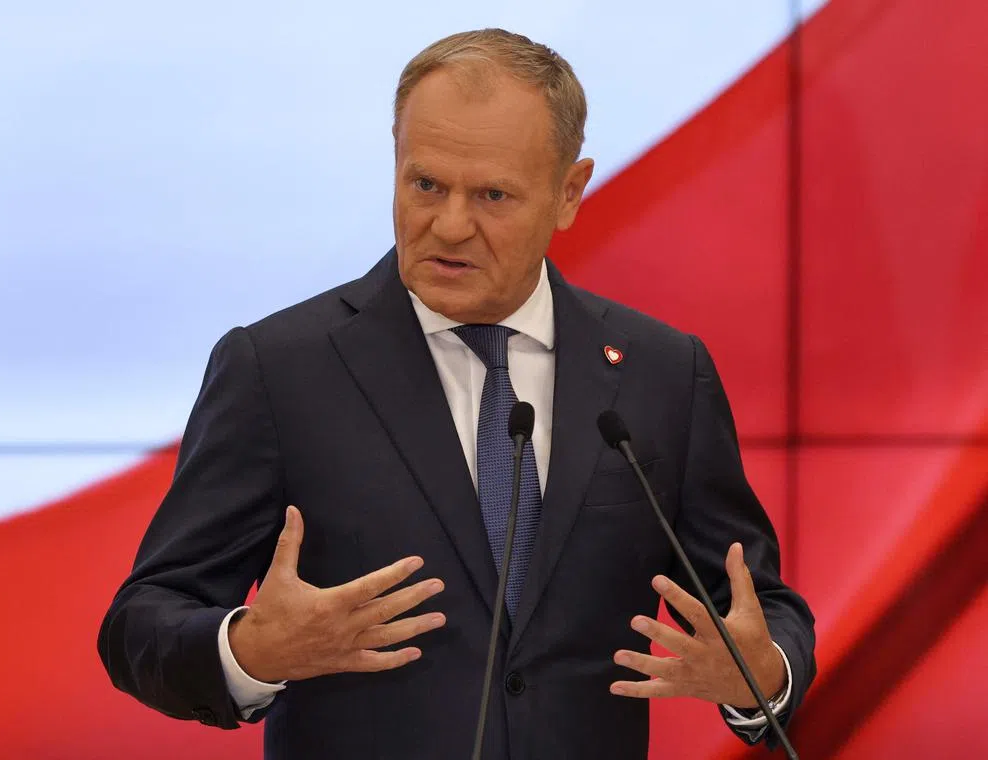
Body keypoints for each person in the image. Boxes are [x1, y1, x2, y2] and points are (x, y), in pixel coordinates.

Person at [98, 28, 815, 760]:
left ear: (570, 192)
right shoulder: (280, 370)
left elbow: (760, 607)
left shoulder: (660, 372)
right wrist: (249, 651)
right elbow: (142, 623)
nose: (449, 225)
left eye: (493, 195)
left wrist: (763, 673)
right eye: (425, 185)